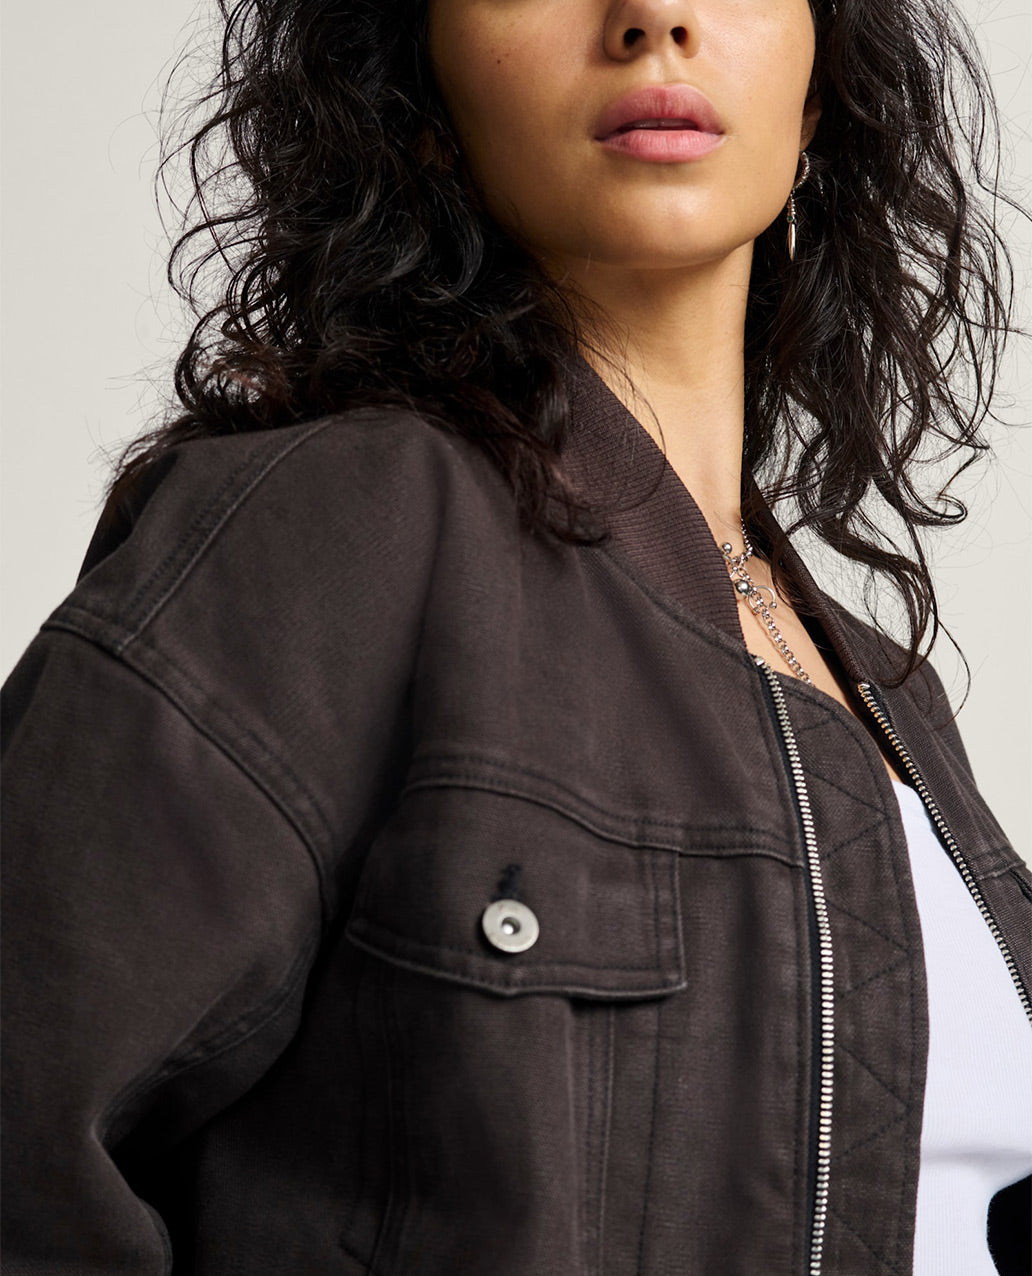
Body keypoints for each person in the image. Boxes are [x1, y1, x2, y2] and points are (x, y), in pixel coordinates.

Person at [2, 0, 1030, 1271]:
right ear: (418, 98)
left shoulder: (894, 700)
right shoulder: (337, 534)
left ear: (816, 93)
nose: (654, 17)